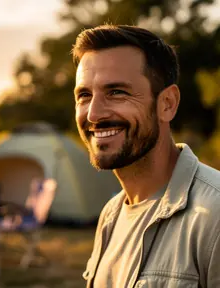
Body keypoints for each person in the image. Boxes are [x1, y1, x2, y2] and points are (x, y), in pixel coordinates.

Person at [72, 24, 220, 287]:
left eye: (117, 92)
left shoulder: (214, 215)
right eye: (84, 95)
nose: (94, 114)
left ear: (167, 104)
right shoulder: (110, 215)